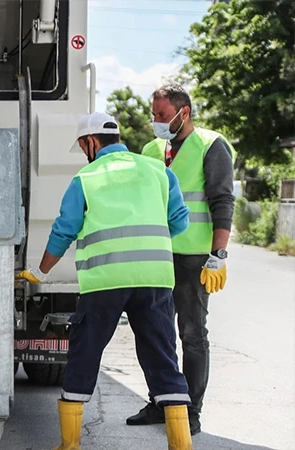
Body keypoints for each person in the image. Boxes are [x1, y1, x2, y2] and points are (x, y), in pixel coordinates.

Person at [16, 112, 193, 450]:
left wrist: (39, 273)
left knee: (84, 354)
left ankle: (69, 445)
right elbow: (180, 224)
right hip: (154, 278)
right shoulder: (159, 171)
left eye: (83, 146)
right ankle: (181, 446)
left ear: (91, 142)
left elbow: (63, 231)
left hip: (104, 281)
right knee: (162, 356)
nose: (85, 152)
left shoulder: (86, 178)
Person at [126, 83, 236, 435]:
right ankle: (162, 402)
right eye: (154, 114)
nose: (155, 121)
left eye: (161, 114)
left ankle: (191, 412)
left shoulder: (210, 145)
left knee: (191, 334)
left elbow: (222, 201)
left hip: (192, 257)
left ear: (182, 112)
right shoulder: (150, 149)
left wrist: (218, 254)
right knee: (154, 332)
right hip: (156, 254)